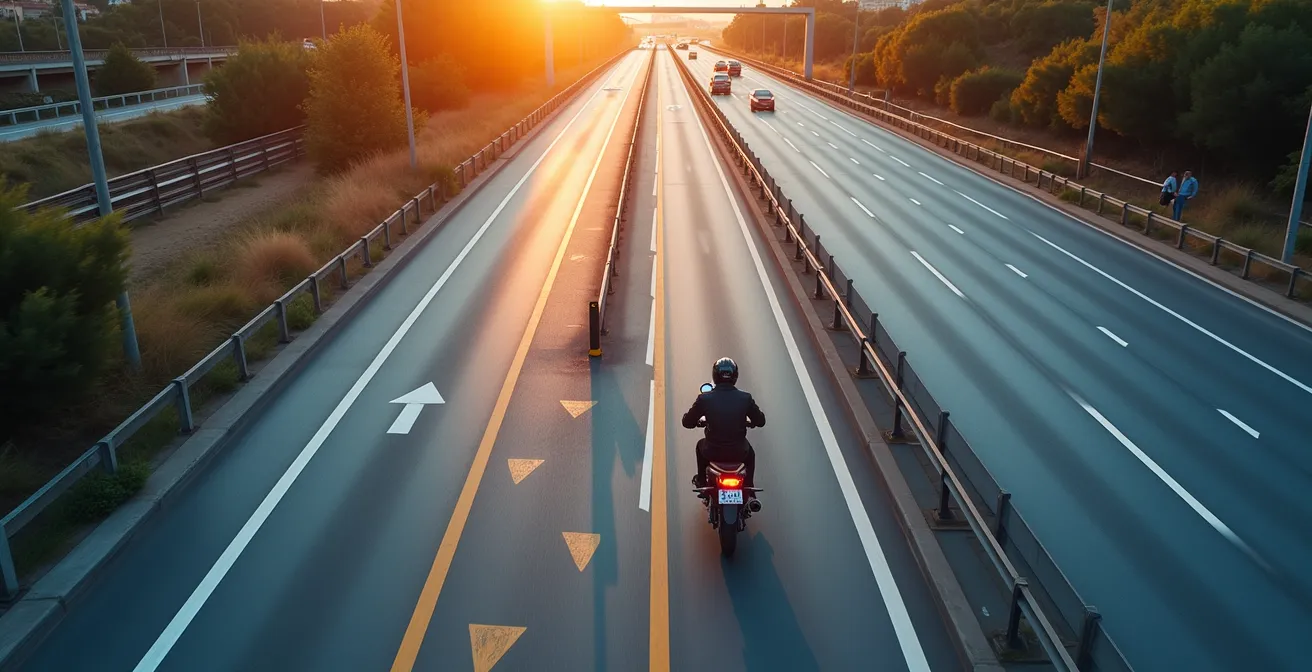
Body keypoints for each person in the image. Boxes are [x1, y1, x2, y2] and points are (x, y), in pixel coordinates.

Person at [683, 357, 765, 491]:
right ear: (735, 376)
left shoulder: (704, 398)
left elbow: (687, 423)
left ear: (715, 376)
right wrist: (751, 422)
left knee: (699, 446)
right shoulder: (745, 398)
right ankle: (750, 488)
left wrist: (695, 421)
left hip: (712, 452)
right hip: (739, 452)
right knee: (751, 454)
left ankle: (702, 482)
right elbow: (760, 421)